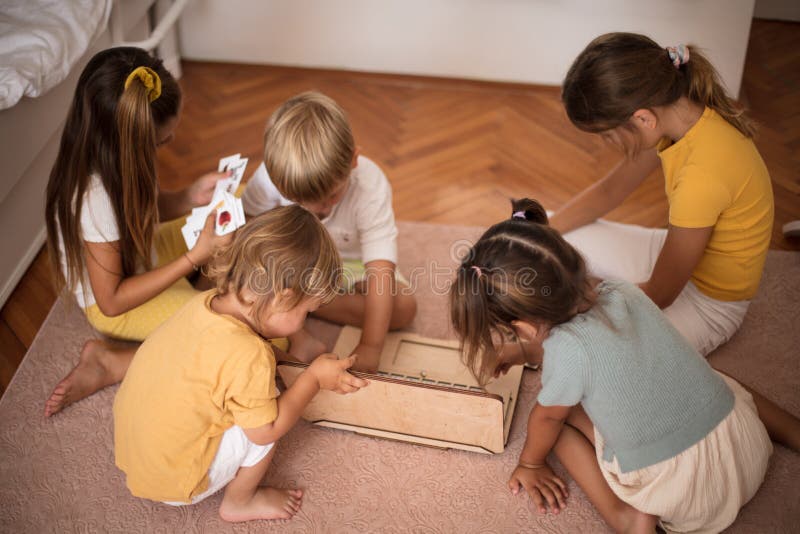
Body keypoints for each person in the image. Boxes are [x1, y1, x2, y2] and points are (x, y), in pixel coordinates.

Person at [449, 199, 799, 533]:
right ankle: (791, 430)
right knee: (717, 378)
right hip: (744, 445)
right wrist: (523, 353)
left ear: (522, 329)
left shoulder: (566, 352)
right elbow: (598, 347)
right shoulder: (621, 290)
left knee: (553, 422)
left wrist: (530, 463)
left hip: (687, 493)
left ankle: (626, 519)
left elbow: (549, 413)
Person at [114, 205, 368, 522]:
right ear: (282, 299)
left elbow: (224, 360)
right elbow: (266, 431)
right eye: (306, 311)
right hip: (173, 481)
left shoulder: (205, 303)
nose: (306, 320)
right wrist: (313, 379)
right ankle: (239, 502)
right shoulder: (250, 355)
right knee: (268, 417)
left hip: (133, 452)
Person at [552, 33, 774, 356]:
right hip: (674, 257)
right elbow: (611, 190)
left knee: (595, 358)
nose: (607, 144)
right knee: (557, 238)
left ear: (642, 118)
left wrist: (582, 301)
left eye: (607, 135)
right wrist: (539, 228)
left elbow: (659, 293)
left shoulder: (702, 176)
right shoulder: (675, 117)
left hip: (709, 305)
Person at [44, 47, 232, 416]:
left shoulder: (116, 158)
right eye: (162, 142)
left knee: (235, 198)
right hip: (117, 302)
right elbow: (111, 300)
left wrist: (188, 197)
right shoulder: (93, 198)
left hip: (143, 254)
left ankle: (199, 282)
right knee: (231, 331)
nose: (170, 144)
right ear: (129, 144)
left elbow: (143, 211)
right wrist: (194, 257)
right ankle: (112, 362)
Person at [241, 91, 417, 371]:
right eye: (302, 203)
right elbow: (249, 230)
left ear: (353, 161)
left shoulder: (370, 185)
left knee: (405, 308)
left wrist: (371, 346)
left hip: (352, 264)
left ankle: (301, 306)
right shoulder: (268, 177)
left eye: (332, 196)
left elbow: (380, 268)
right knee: (241, 276)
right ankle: (299, 327)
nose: (319, 211)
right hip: (297, 261)